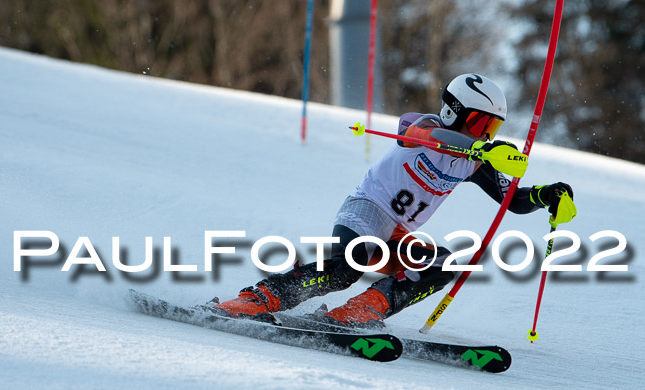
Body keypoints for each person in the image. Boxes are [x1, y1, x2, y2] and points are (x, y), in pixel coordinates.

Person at [211, 73, 577, 328]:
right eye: (480, 124)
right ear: (455, 111)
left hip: (397, 235)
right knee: (345, 268)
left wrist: (548, 196)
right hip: (365, 212)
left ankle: (358, 312)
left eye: (491, 128)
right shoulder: (423, 125)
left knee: (442, 264)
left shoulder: (474, 161)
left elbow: (514, 201)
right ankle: (258, 299)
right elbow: (419, 134)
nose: (485, 134)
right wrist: (485, 147)